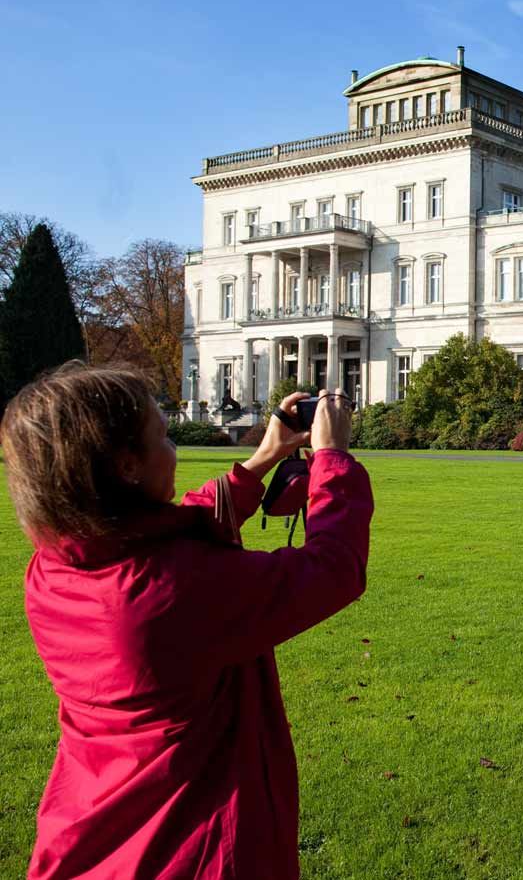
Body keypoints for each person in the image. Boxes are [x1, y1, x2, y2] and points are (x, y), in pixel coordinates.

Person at [0, 362, 374, 879]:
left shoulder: (55, 567)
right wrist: (332, 459)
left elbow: (177, 525)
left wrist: (263, 459)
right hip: (190, 846)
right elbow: (332, 569)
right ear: (128, 465)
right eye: (163, 435)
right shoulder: (168, 592)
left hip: (94, 824)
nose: (173, 447)